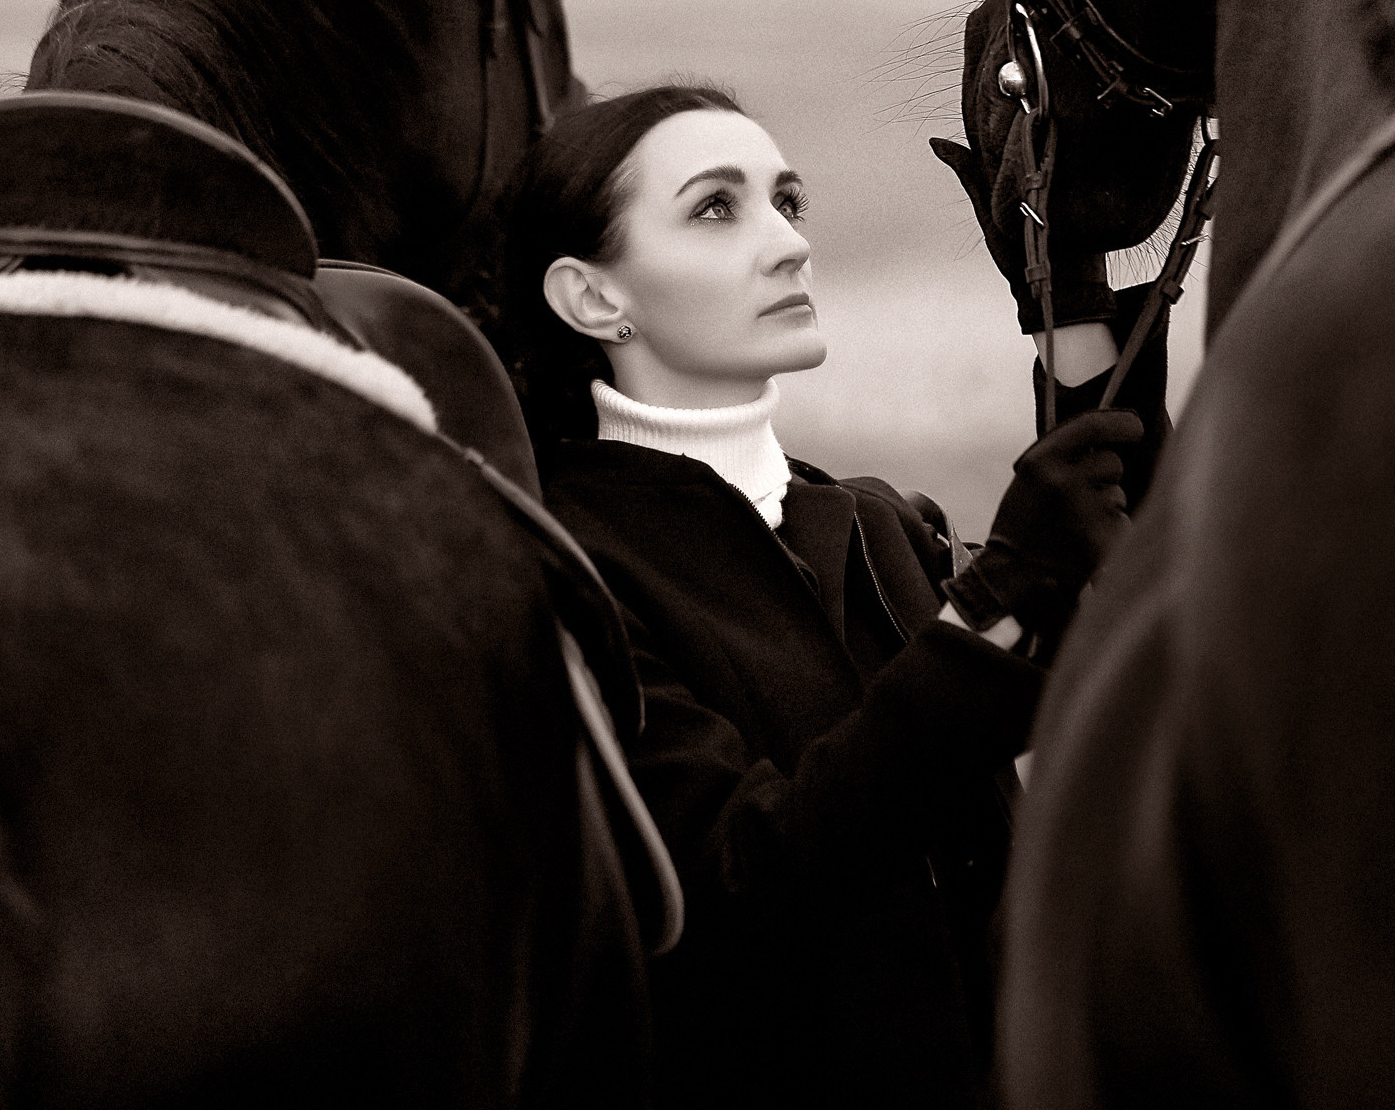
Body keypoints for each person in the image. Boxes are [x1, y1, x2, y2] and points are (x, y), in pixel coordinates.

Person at [498, 83, 1171, 1110]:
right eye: (716, 208)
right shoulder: (565, 565)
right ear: (592, 298)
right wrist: (994, 599)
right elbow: (737, 884)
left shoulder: (873, 519)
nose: (789, 245)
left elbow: (1120, 651)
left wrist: (1068, 290)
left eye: (789, 202)